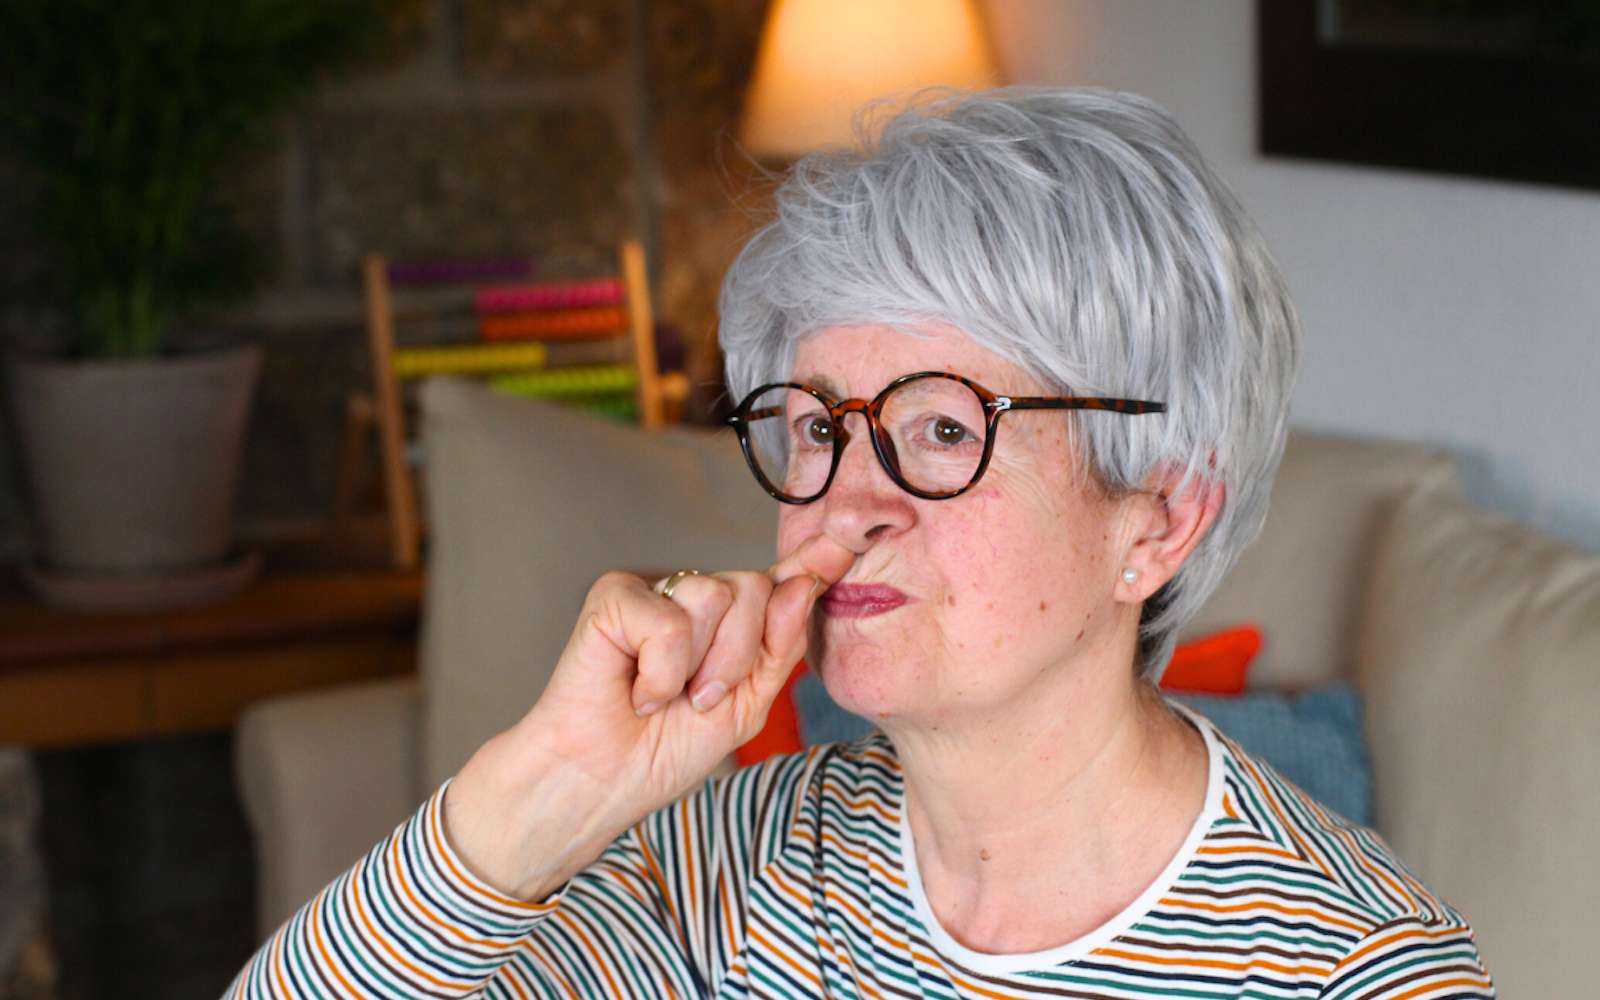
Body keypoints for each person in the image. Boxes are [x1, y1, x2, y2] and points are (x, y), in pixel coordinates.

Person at [227, 88, 1493, 998]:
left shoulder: (1359, 969)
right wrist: (540, 793)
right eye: (820, 426)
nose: (846, 501)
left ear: (1157, 519)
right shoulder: (721, 871)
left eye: (943, 428)